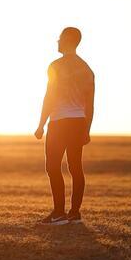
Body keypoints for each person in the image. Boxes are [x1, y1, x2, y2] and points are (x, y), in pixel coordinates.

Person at [35, 27, 95, 225]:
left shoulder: (56, 66)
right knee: (75, 167)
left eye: (59, 38)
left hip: (60, 122)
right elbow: (90, 104)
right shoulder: (86, 69)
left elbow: (49, 96)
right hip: (78, 122)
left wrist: (41, 123)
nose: (57, 41)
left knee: (52, 166)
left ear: (68, 40)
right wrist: (87, 129)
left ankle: (59, 213)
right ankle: (74, 213)